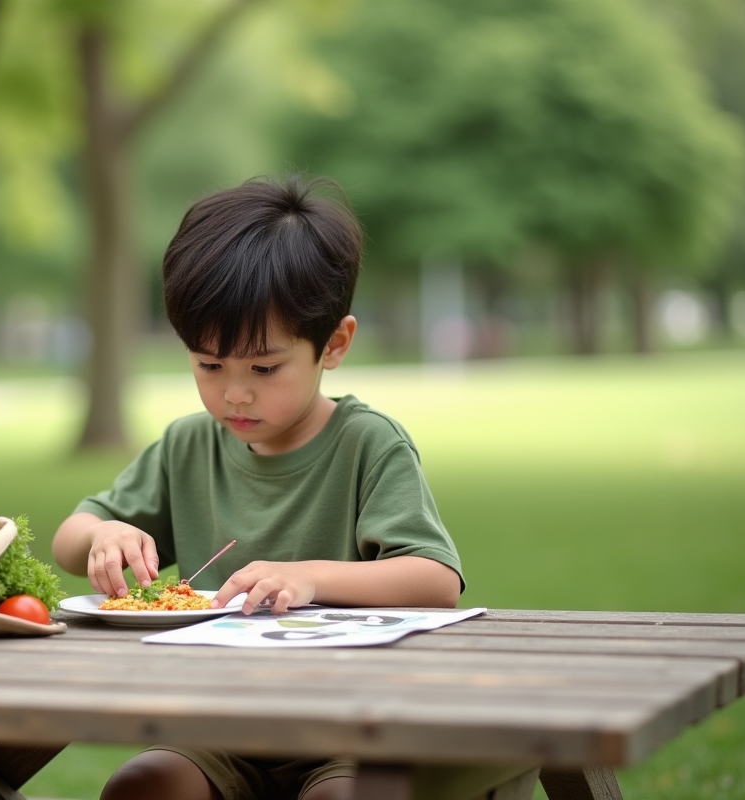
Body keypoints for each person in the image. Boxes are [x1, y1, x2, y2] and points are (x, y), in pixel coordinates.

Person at [52, 175, 464, 800]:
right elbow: (69, 539)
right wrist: (104, 535)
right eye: (209, 365)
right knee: (144, 785)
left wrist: (309, 577)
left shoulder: (368, 444)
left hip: (350, 730)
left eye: (264, 368)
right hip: (217, 726)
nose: (234, 392)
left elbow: (435, 580)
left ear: (334, 344)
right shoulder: (188, 447)